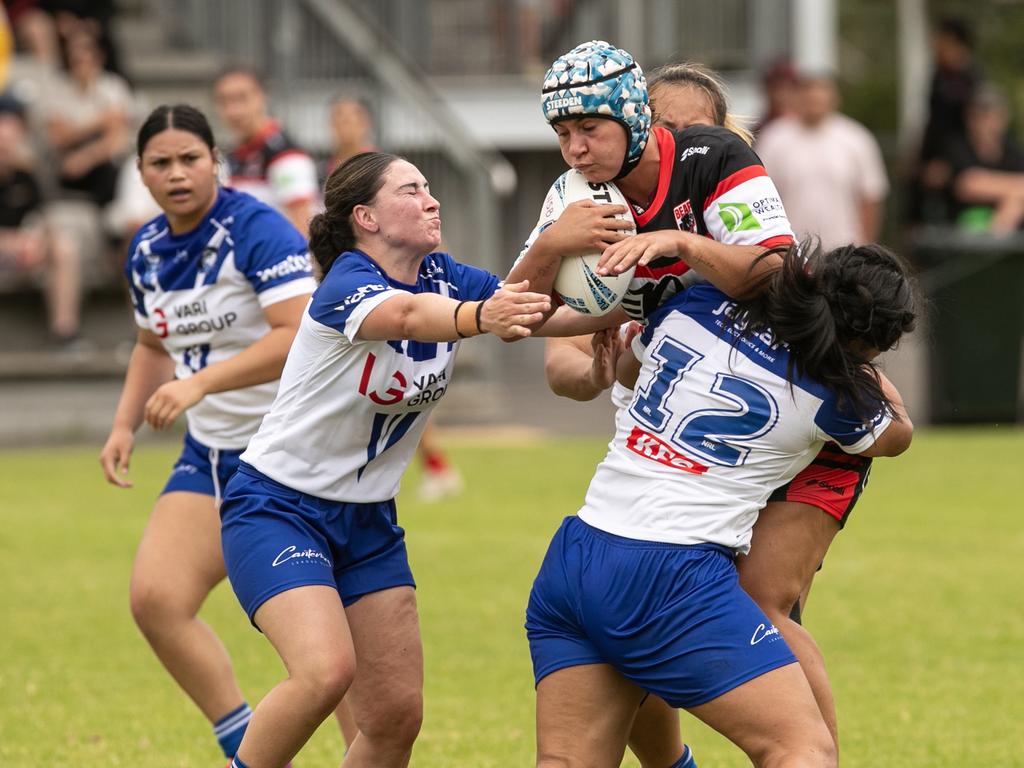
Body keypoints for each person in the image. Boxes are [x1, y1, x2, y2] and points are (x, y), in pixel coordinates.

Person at [542, 58, 883, 756]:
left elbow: (778, 274)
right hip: (668, 443)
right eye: (657, 123)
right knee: (635, 634)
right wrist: (612, 346)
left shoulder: (724, 186)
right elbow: (562, 367)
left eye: (682, 127)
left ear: (717, 134)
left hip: (796, 427)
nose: (664, 138)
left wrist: (870, 395)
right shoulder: (592, 202)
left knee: (762, 604)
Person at [217, 151, 556, 768]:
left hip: (369, 522)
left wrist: (649, 312)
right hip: (277, 508)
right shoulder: (348, 280)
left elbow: (537, 307)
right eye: (412, 190)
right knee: (323, 673)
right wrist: (482, 316)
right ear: (366, 217)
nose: (431, 200)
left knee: (396, 717)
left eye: (430, 187)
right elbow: (403, 315)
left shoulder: (444, 276)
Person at [529, 233, 916, 767]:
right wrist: (860, 369)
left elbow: (627, 370)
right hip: (671, 574)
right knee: (802, 749)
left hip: (575, 558)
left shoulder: (699, 303)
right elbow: (897, 435)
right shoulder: (839, 391)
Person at [98, 104, 316, 764]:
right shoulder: (146, 248)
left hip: (291, 456)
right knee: (156, 600)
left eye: (190, 158)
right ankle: (240, 744)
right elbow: (149, 343)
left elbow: (299, 335)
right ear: (140, 172)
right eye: (160, 163)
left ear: (214, 161)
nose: (177, 173)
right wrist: (122, 423)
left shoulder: (256, 229)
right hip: (214, 453)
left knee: (326, 664)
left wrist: (200, 383)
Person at [324, 93, 464, 504]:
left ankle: (432, 465)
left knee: (397, 381)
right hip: (356, 289)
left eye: (351, 116)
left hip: (386, 290)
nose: (343, 125)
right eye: (338, 117)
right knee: (386, 382)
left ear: (366, 122)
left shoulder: (377, 171)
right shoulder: (334, 171)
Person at [754, 71, 889, 250]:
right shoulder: (774, 138)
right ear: (797, 97)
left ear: (834, 98)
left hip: (845, 250)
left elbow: (870, 197)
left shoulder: (856, 138)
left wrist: (866, 248)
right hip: (789, 250)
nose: (814, 102)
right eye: (808, 95)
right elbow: (759, 194)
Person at [214, 65, 319, 237]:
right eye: (224, 101)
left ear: (263, 96)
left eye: (242, 98)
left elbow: (304, 229)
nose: (233, 110)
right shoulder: (232, 156)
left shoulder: (287, 156)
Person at [944, 83, 1024, 233]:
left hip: (1009, 226)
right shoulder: (957, 147)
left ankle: (994, 242)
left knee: (1015, 202)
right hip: (963, 223)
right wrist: (1016, 188)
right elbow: (967, 185)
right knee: (1016, 200)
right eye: (979, 115)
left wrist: (992, 185)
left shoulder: (1012, 149)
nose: (985, 122)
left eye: (991, 114)